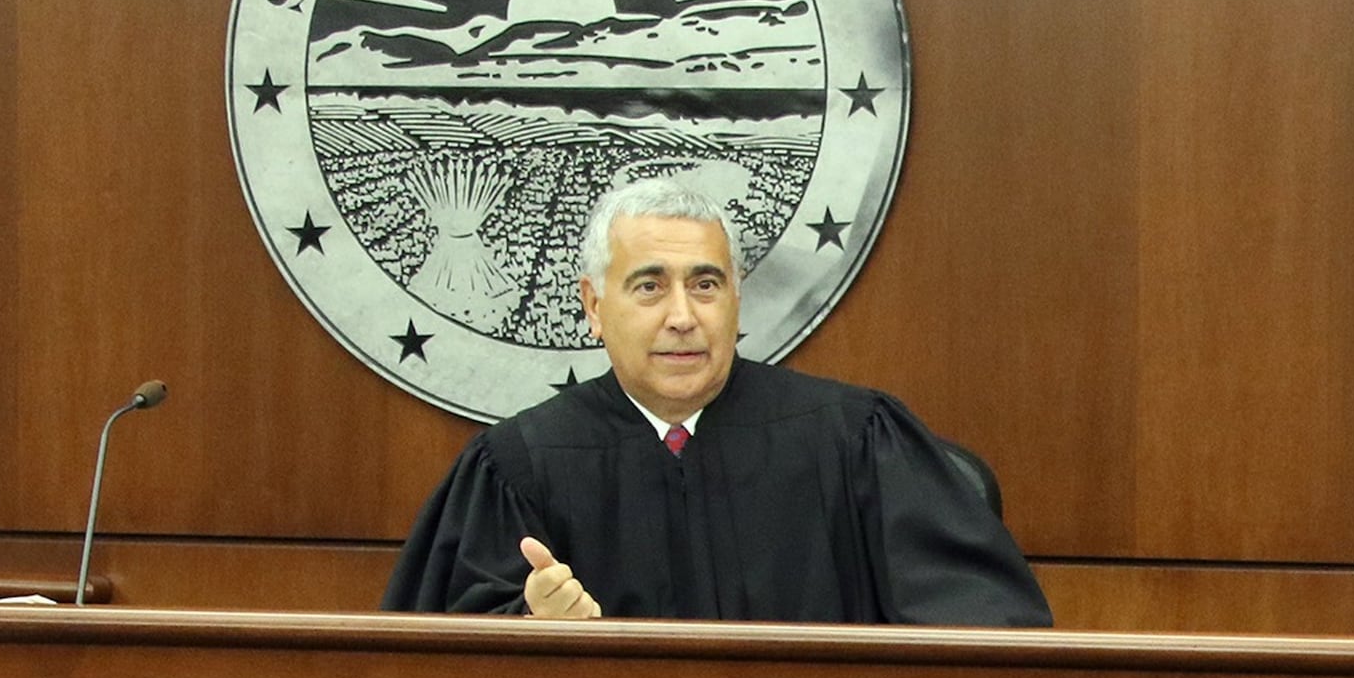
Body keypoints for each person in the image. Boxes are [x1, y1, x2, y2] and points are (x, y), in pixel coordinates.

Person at [381, 178, 1052, 626]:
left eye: (705, 284)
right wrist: (531, 628)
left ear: (736, 300)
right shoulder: (518, 468)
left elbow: (985, 634)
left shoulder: (855, 442)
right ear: (593, 306)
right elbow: (423, 663)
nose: (682, 315)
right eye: (649, 286)